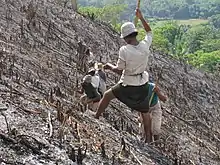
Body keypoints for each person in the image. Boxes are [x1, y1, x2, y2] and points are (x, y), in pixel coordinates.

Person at [95, 9, 153, 143]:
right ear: (135, 34)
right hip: (143, 83)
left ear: (126, 38)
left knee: (108, 95)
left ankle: (96, 117)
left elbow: (120, 70)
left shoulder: (124, 50)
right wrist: (141, 17)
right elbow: (149, 32)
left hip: (128, 83)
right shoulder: (145, 45)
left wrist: (110, 67)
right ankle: (149, 138)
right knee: (145, 111)